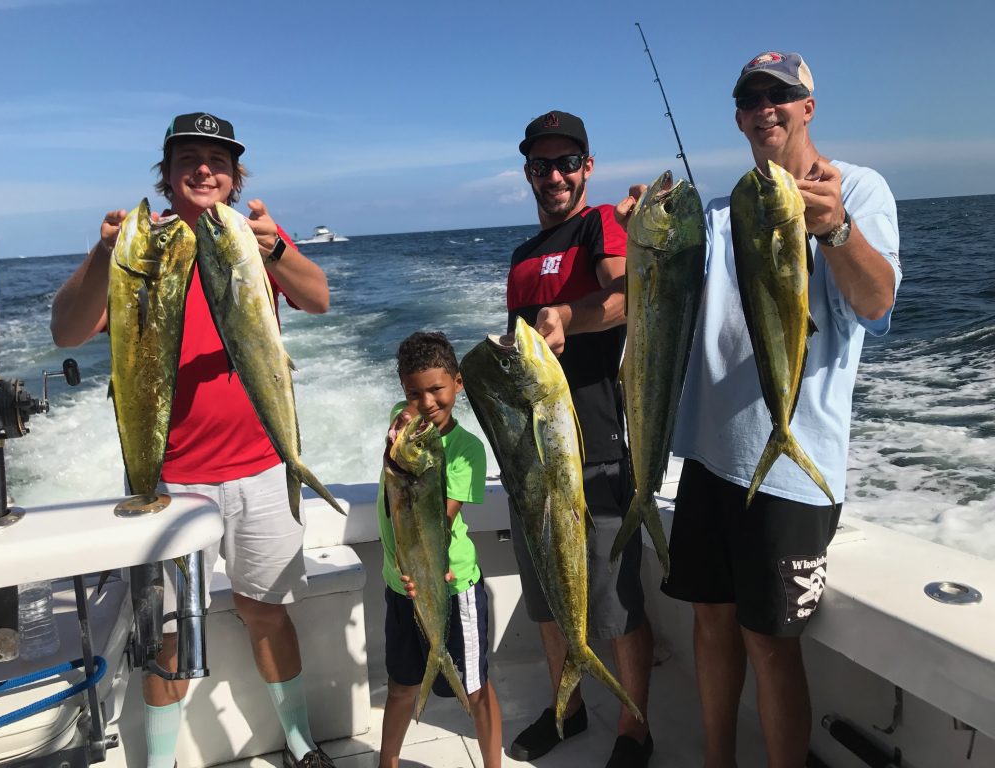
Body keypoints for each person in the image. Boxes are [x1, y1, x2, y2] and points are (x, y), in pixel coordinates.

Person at [50, 112, 337, 768]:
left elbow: (318, 298)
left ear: (236, 177)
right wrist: (104, 254)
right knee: (167, 634)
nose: (204, 169)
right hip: (169, 479)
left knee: (264, 610)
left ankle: (299, 741)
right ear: (168, 171)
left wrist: (277, 251)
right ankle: (159, 762)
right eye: (189, 158)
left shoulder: (250, 236)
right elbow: (67, 332)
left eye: (219, 160)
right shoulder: (140, 246)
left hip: (263, 465)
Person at [647, 52, 901, 767]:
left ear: (808, 106)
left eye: (780, 95)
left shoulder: (860, 189)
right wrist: (650, 240)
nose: (766, 107)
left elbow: (878, 304)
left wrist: (837, 228)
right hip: (708, 455)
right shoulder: (724, 213)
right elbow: (666, 301)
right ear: (738, 116)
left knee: (769, 642)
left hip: (795, 468)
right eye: (751, 97)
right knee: (709, 624)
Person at [505, 110, 654, 768]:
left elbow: (627, 295)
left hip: (596, 444)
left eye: (568, 163)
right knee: (546, 596)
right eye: (543, 165)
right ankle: (566, 708)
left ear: (588, 167)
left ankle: (634, 726)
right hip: (532, 453)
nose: (556, 175)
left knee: (618, 599)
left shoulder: (603, 225)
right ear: (529, 174)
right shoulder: (519, 256)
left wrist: (567, 314)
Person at [375, 331, 502, 768]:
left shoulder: (467, 450)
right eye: (414, 393)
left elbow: (437, 522)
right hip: (400, 583)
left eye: (436, 389)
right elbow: (396, 441)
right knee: (400, 684)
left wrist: (423, 566)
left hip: (451, 584)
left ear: (458, 383)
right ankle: (386, 761)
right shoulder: (402, 421)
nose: (426, 402)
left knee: (476, 688)